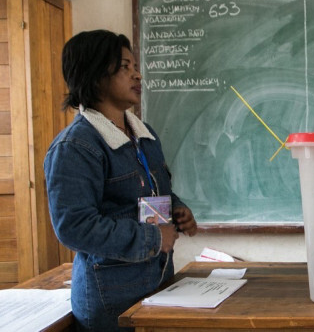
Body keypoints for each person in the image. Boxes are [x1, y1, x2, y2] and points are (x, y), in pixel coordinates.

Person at [44, 30, 198, 331]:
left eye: (135, 66)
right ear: (96, 74)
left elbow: (149, 192)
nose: (138, 75)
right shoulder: (76, 147)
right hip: (111, 304)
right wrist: (154, 238)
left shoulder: (144, 134)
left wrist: (178, 208)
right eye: (125, 67)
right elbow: (74, 227)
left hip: (157, 285)